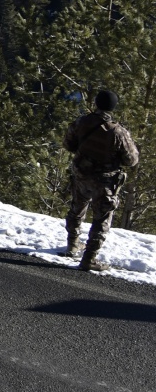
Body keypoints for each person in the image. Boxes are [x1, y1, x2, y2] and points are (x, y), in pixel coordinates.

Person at [62, 89, 140, 272]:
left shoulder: (82, 122)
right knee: (102, 218)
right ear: (113, 107)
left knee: (77, 208)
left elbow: (68, 144)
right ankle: (89, 258)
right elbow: (132, 160)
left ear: (96, 103)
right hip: (104, 182)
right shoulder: (118, 132)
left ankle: (72, 245)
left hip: (81, 174)